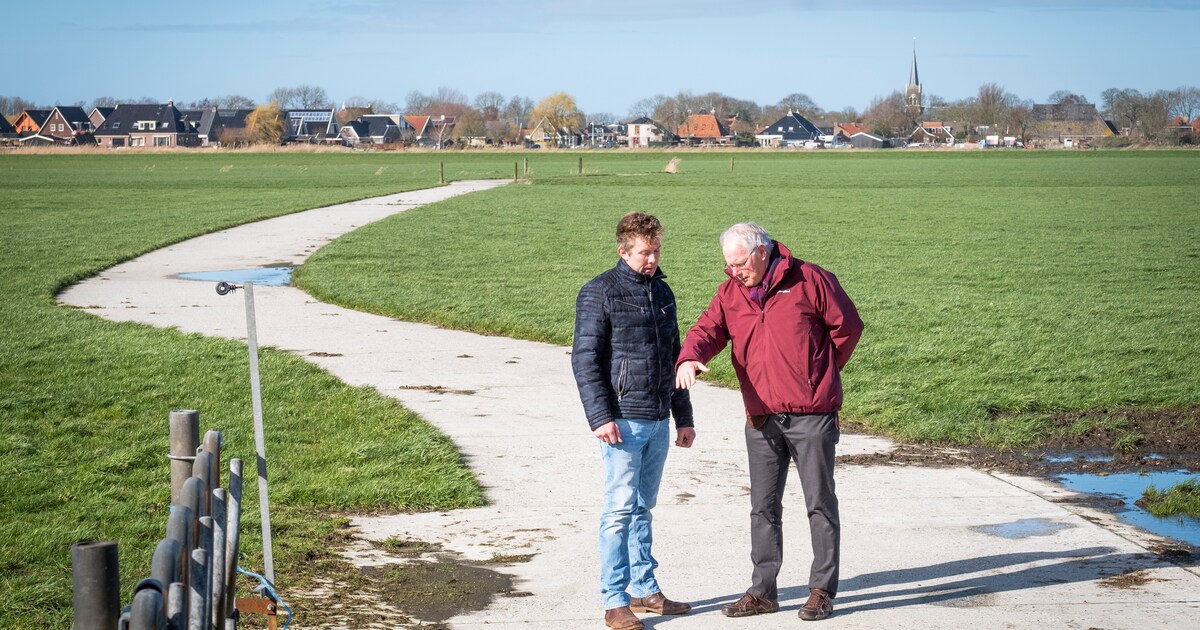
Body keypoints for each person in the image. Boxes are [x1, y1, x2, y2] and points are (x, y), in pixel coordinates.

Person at [675, 222, 863, 622]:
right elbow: (708, 328)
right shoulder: (731, 292)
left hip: (811, 415)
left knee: (819, 504)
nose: (735, 272)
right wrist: (690, 355)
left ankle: (821, 590)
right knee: (762, 508)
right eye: (728, 265)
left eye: (740, 264)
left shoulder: (810, 279)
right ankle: (763, 592)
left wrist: (820, 372)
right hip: (761, 417)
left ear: (762, 252)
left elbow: (848, 327)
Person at [572, 212, 696, 630]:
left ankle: (645, 589)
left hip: (659, 418)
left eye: (657, 250)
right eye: (645, 252)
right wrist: (601, 417)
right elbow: (585, 360)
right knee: (619, 510)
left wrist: (684, 416)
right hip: (622, 420)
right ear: (623, 251)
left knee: (644, 508)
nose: (653, 258)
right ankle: (614, 599)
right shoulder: (599, 292)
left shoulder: (662, 291)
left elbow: (676, 356)